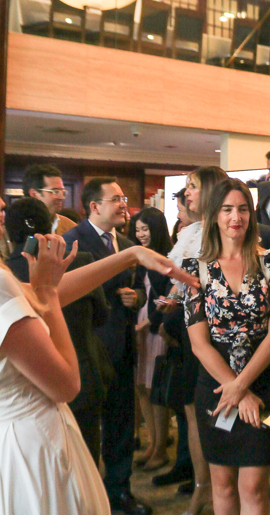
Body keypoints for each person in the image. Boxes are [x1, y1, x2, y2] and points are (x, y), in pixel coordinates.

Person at [0, 135, 196, 514]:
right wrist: (47, 293)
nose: (1, 202)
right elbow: (66, 382)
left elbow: (32, 297)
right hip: (25, 444)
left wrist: (128, 255)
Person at [182, 178, 270, 515]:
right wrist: (237, 391)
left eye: (243, 209)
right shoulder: (195, 268)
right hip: (215, 390)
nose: (236, 217)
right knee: (223, 486)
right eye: (228, 209)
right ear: (214, 214)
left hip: (267, 385)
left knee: (254, 487)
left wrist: (243, 387)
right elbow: (199, 344)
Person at [62, 178, 151, 515]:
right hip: (89, 350)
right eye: (116, 199)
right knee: (86, 430)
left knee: (122, 424)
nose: (123, 204)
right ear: (94, 207)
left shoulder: (128, 244)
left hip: (125, 346)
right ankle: (88, 498)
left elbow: (140, 290)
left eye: (124, 197)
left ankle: (119, 491)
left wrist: (137, 298)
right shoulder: (72, 242)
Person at [4, 197, 113, 464]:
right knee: (86, 460)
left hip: (30, 385)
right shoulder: (79, 260)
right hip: (83, 374)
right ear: (49, 226)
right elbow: (101, 316)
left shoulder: (4, 273)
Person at [152, 166, 229, 515]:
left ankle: (218, 488)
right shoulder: (191, 231)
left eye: (193, 188)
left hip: (215, 330)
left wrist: (185, 291)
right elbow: (186, 284)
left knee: (213, 410)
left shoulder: (220, 232)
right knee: (193, 411)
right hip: (188, 328)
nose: (188, 196)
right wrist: (176, 297)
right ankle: (203, 487)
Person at [128, 207, 175, 472]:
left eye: (145, 229)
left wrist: (149, 321)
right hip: (142, 322)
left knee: (156, 388)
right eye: (137, 229)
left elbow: (169, 295)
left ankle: (159, 447)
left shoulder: (167, 256)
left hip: (156, 325)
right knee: (141, 386)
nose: (141, 234)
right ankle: (153, 443)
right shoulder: (138, 256)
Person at [23, 163, 77, 235]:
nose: (61, 197)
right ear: (34, 194)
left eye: (62, 191)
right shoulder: (15, 226)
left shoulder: (71, 228)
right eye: (55, 191)